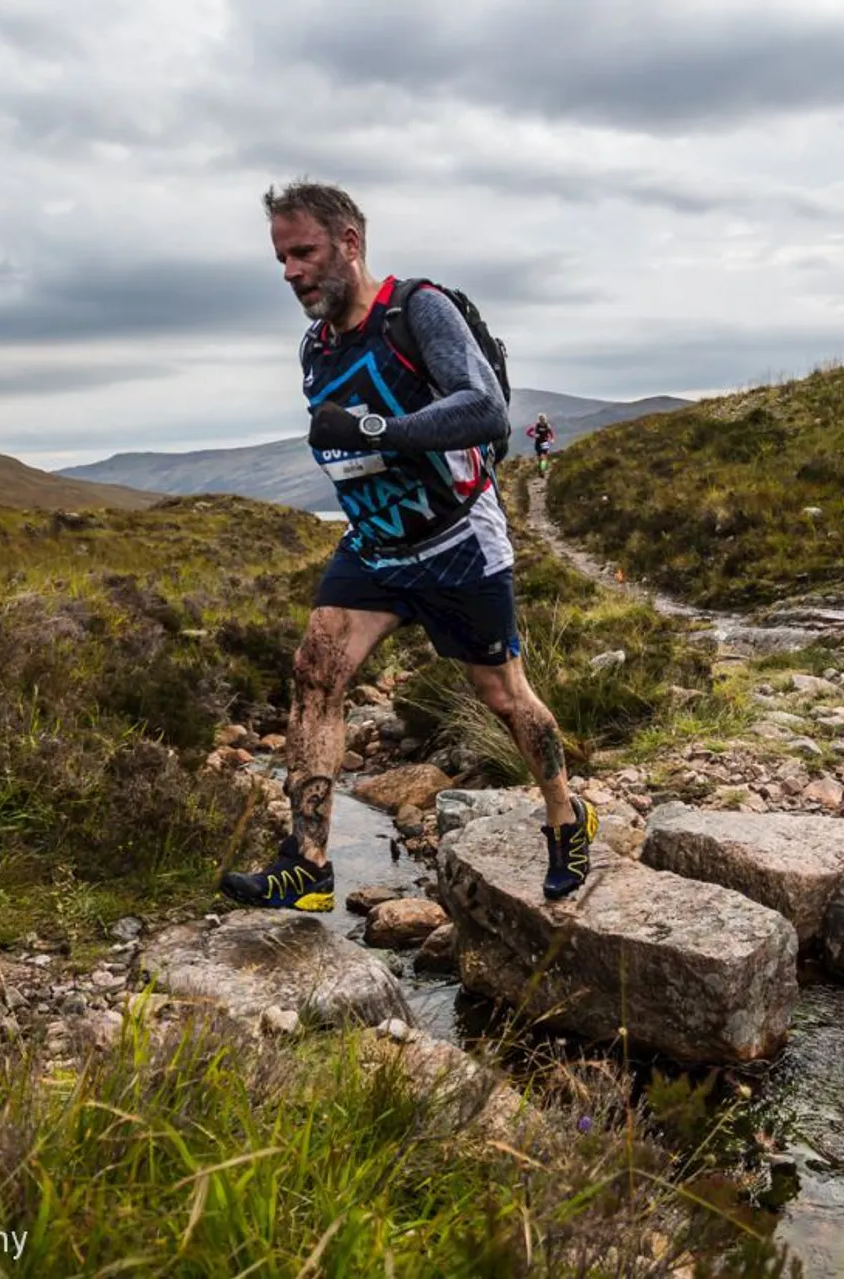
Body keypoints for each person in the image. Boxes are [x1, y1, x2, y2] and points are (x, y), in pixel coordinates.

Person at [219, 180, 598, 912]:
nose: (291, 271)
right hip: (375, 545)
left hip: (456, 538)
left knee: (502, 695)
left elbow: (484, 407)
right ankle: (308, 860)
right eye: (280, 258)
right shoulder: (315, 347)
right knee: (316, 671)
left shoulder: (416, 309)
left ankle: (565, 814)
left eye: (303, 252)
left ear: (350, 244)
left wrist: (368, 430)